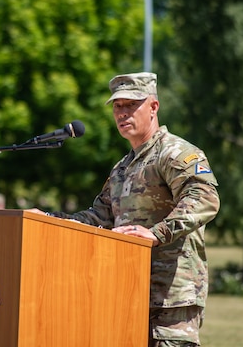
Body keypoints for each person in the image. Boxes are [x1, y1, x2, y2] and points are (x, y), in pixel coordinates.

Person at [48, 72, 220, 347]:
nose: (122, 113)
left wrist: (156, 233)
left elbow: (204, 198)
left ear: (153, 107)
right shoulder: (122, 168)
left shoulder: (175, 153)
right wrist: (46, 221)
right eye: (118, 106)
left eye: (131, 105)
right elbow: (98, 218)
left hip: (170, 297)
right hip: (127, 294)